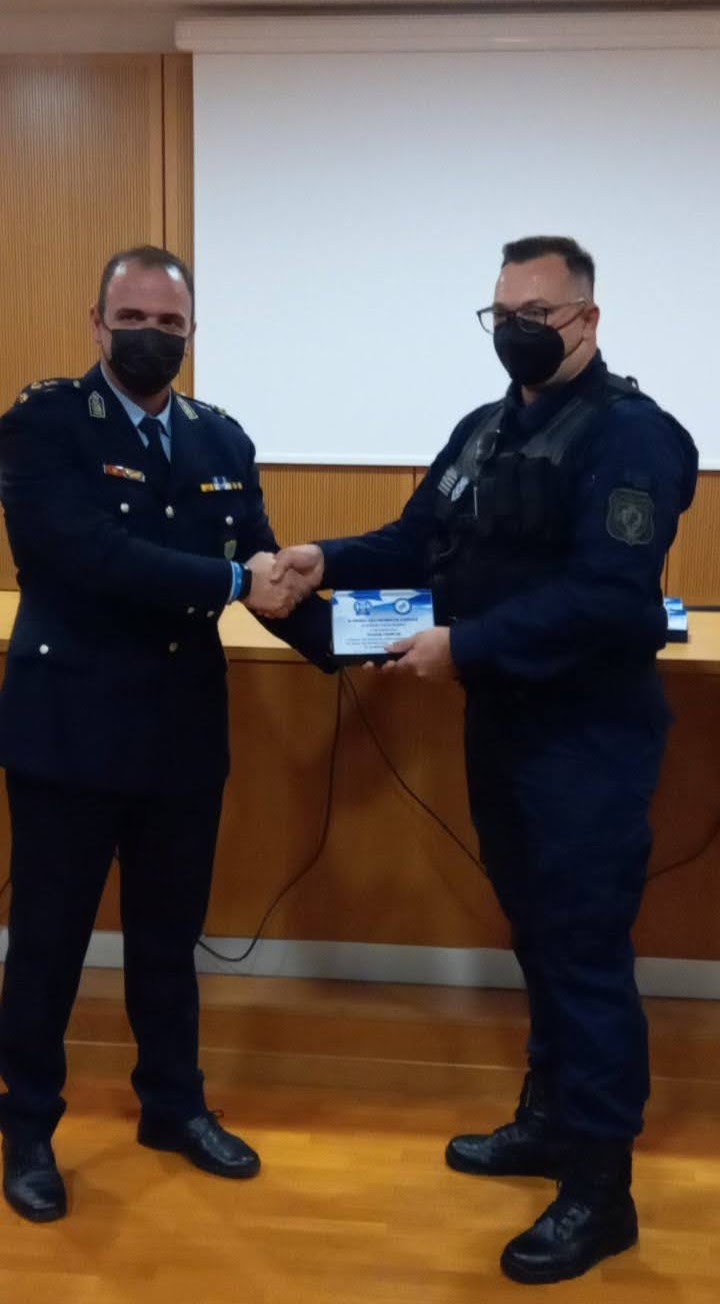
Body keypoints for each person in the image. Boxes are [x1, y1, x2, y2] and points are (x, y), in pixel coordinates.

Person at [272, 236, 698, 1284]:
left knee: (584, 953)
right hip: (503, 728)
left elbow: (610, 597)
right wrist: (325, 558)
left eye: (537, 314)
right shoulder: (484, 429)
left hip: (587, 736)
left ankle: (601, 1191)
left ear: (587, 320)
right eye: (502, 313)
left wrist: (466, 645)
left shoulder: (633, 437)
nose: (516, 330)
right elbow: (419, 538)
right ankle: (550, 1120)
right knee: (537, 936)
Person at [0, 245, 333, 1223]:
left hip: (180, 729)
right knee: (49, 942)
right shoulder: (43, 424)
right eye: (133, 319)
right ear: (98, 324)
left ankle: (173, 1105)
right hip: (69, 729)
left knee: (167, 936)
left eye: (170, 324)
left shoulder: (219, 438)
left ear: (191, 334)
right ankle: (27, 1127)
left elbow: (266, 567)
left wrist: (363, 644)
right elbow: (87, 554)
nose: (152, 336)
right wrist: (232, 580)